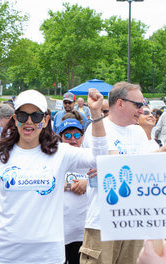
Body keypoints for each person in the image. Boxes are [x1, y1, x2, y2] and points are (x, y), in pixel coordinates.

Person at [0, 89, 108, 264]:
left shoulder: (60, 152)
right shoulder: (1, 155)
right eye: (23, 115)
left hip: (48, 255)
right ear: (15, 119)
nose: (29, 121)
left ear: (45, 120)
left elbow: (99, 158)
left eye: (36, 116)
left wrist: (96, 114)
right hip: (5, 253)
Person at [80, 82, 150, 264]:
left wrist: (114, 166)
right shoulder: (96, 128)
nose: (142, 110)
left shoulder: (139, 133)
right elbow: (107, 160)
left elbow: (146, 169)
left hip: (134, 221)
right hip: (101, 222)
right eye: (138, 105)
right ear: (120, 103)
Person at [58, 118, 88, 264]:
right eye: (67, 136)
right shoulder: (54, 157)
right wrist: (70, 186)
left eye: (77, 135)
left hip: (82, 230)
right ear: (61, 138)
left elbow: (105, 178)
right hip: (59, 230)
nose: (73, 140)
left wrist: (87, 183)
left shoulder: (90, 157)